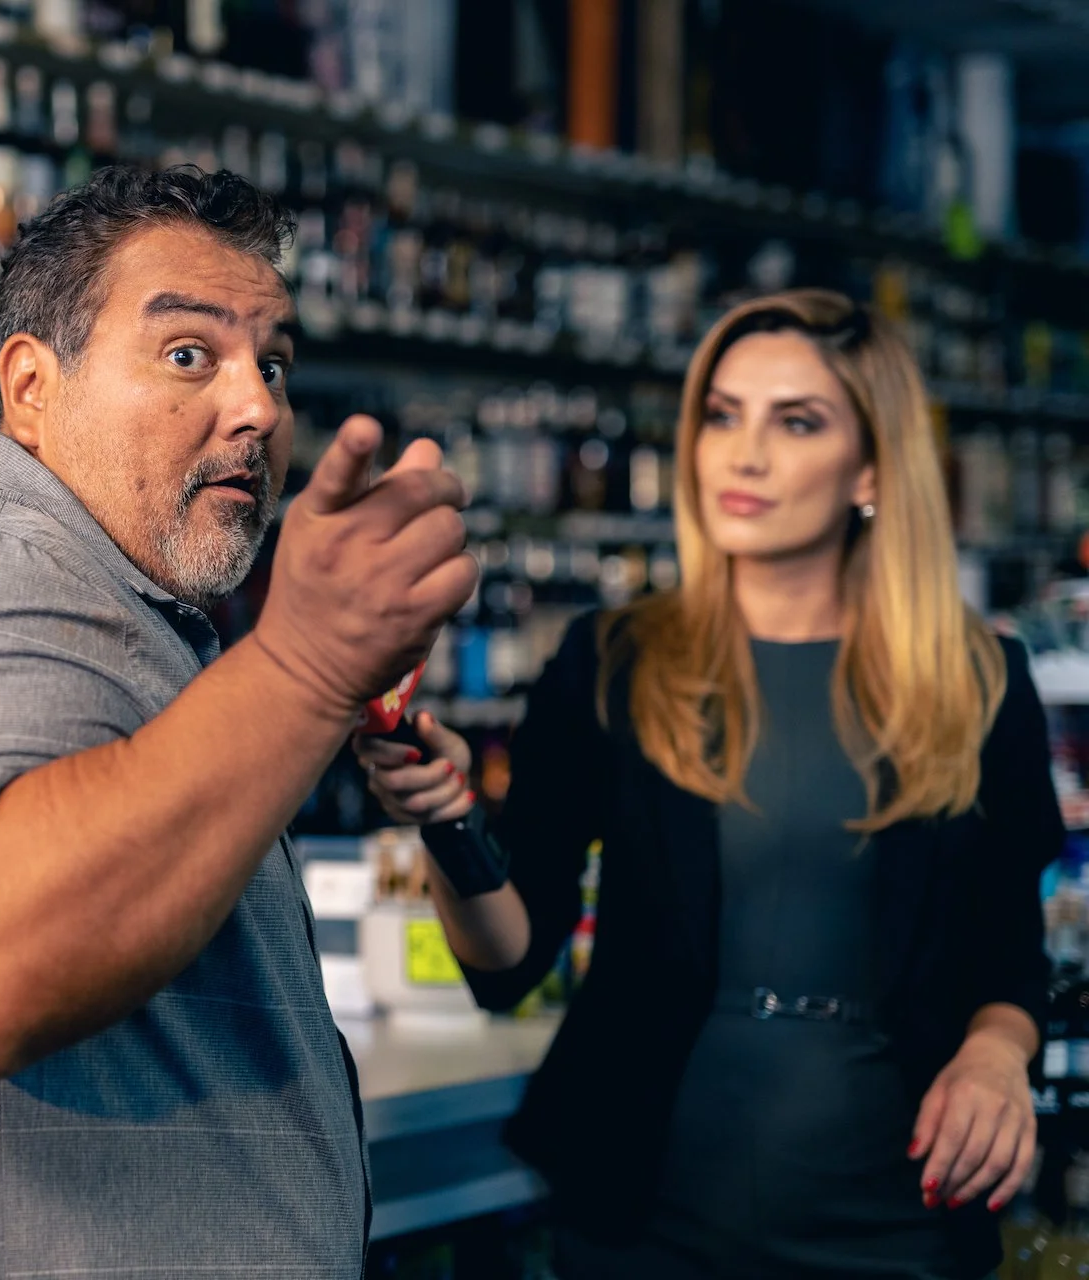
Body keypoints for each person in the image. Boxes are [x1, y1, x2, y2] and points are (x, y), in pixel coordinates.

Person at [0, 166, 479, 1277]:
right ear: (32, 386)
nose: (258, 408)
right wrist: (306, 663)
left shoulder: (135, 613)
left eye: (273, 364)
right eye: (190, 354)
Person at [359, 289, 1063, 1279]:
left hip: (898, 1209)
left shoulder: (982, 682)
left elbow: (1011, 959)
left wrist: (998, 1051)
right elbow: (509, 961)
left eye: (798, 421)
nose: (745, 452)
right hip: (648, 1214)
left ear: (869, 467)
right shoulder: (613, 660)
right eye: (723, 415)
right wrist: (450, 822)